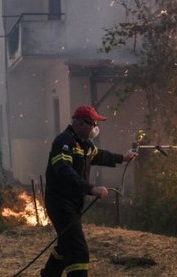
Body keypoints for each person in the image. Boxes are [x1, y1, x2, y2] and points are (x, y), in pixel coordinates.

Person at [41, 105, 137, 277]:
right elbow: (63, 170)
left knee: (65, 244)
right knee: (78, 250)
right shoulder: (64, 142)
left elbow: (100, 155)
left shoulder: (85, 145)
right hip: (60, 203)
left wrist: (123, 158)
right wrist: (91, 188)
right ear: (79, 122)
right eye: (92, 123)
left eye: (96, 123)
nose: (95, 127)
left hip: (73, 203)